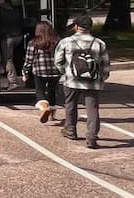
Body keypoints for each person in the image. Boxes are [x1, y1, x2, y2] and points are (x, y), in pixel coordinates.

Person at [54, 14, 110, 148]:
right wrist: (102, 77)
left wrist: (66, 72)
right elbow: (105, 65)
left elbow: (58, 61)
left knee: (70, 105)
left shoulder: (66, 42)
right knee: (93, 108)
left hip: (72, 80)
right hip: (93, 81)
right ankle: (91, 136)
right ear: (90, 27)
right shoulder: (99, 43)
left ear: (76, 26)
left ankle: (70, 129)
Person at [22, 21, 61, 124]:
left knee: (40, 92)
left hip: (39, 71)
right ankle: (52, 115)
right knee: (52, 92)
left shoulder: (34, 42)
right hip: (56, 72)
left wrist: (25, 72)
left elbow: (29, 59)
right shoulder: (57, 41)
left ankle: (44, 108)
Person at [0, 0, 24, 89]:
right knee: (11, 57)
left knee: (8, 59)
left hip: (8, 37)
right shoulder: (16, 10)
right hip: (18, 36)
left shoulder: (0, 11)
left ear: (3, 1)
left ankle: (13, 82)